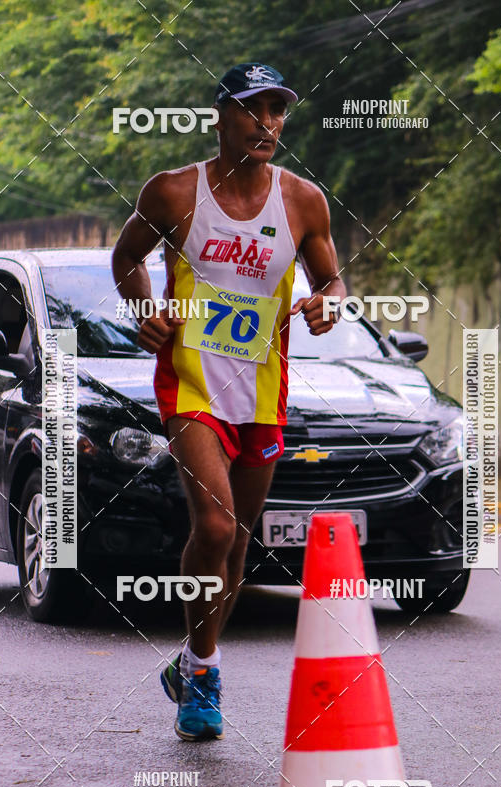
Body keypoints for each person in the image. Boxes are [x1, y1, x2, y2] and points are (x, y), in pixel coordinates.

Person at [112, 62, 346, 741]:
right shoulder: (174, 192)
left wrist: (327, 307)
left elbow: (332, 280)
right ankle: (208, 671)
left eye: (279, 111)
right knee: (213, 528)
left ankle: (190, 659)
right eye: (255, 109)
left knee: (239, 541)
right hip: (190, 382)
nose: (269, 122)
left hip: (262, 391)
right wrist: (145, 308)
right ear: (221, 116)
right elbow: (127, 259)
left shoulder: (303, 201)